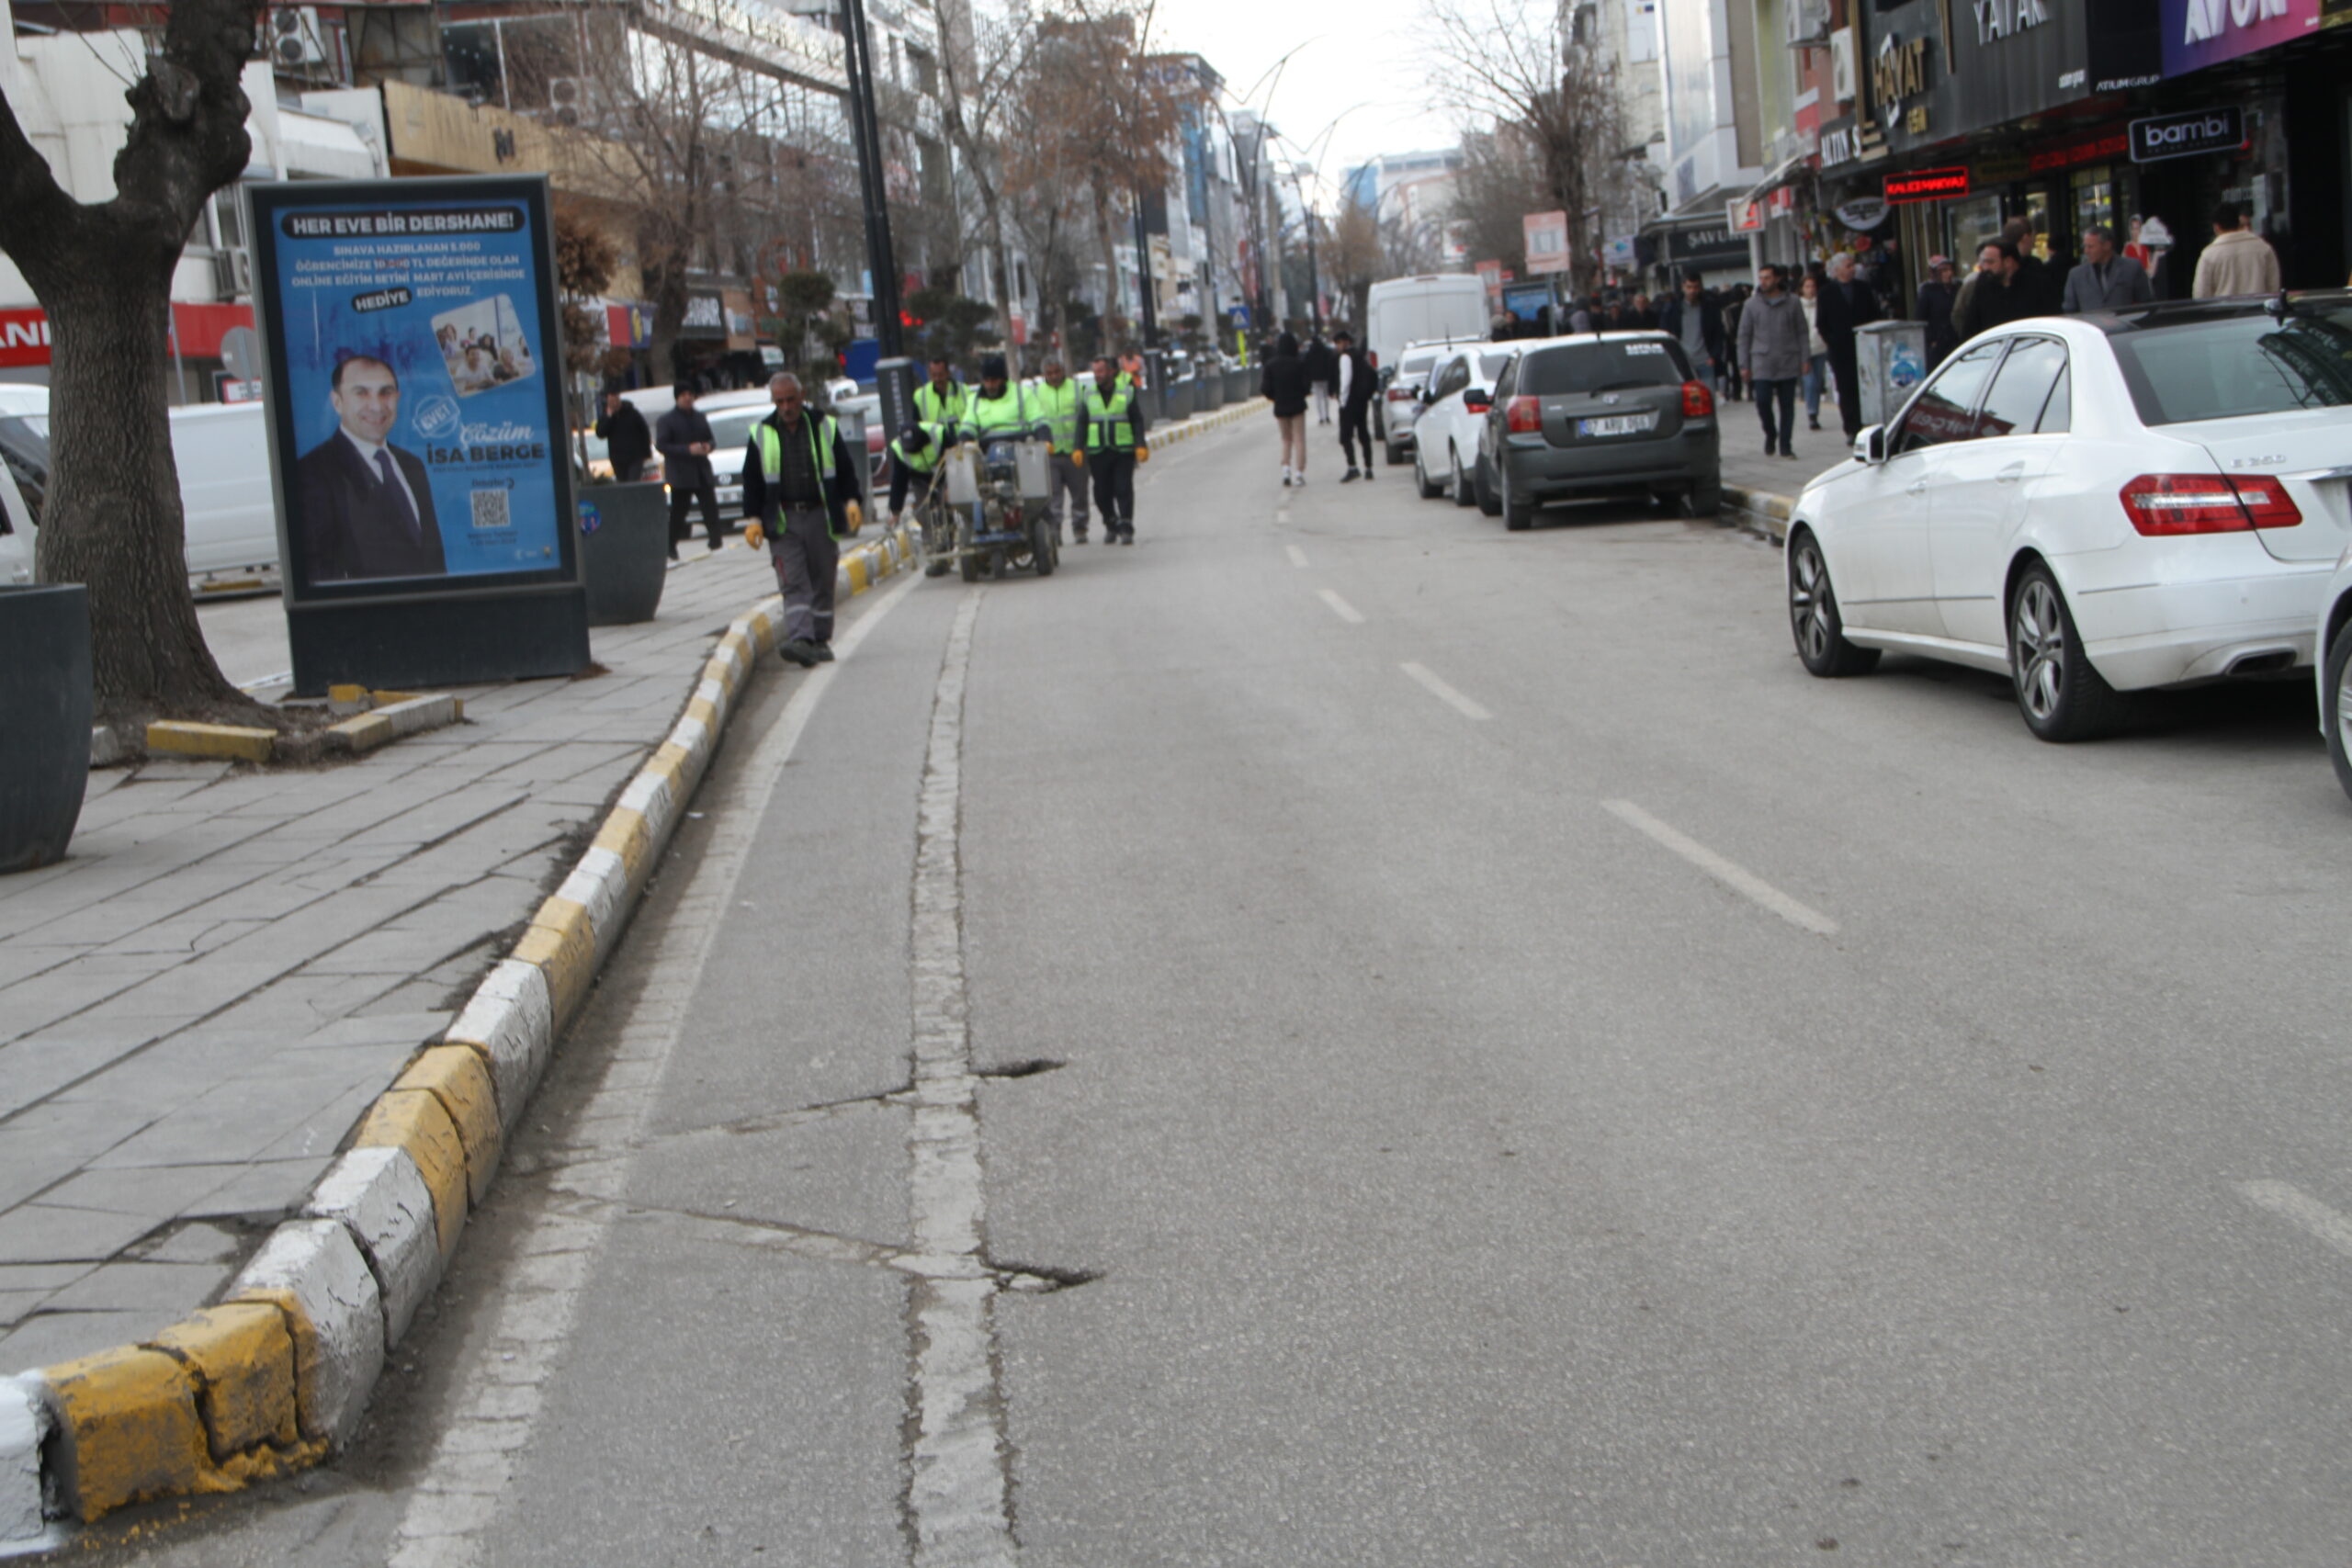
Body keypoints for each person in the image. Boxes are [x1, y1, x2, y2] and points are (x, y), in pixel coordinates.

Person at [739, 373, 862, 667]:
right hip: (783, 520)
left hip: (821, 514)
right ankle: (801, 638)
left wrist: (853, 501)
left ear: (801, 394)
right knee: (793, 581)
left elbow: (844, 469)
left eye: (791, 399)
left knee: (822, 578)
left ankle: (820, 639)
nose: (786, 406)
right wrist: (754, 519)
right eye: (779, 401)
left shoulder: (823, 426)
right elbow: (752, 481)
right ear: (773, 401)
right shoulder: (762, 433)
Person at [293, 354, 445, 583]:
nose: (376, 406)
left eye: (386, 392)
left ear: (398, 397)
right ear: (337, 402)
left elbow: (433, 559)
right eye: (361, 392)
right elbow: (320, 571)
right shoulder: (313, 472)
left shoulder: (412, 464)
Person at [1074, 355, 1148, 544]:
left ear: (1112, 371)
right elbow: (1082, 423)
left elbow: (1137, 420)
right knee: (1101, 492)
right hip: (1098, 451)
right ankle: (1110, 522)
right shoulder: (1088, 393)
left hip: (1123, 450)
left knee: (1123, 487)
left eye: (1101, 371)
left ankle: (1126, 526)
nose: (1097, 375)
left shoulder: (1127, 392)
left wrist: (1140, 444)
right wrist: (1078, 448)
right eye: (1095, 371)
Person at [1737, 263, 1807, 459]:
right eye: (1761, 278)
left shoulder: (1792, 301)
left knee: (1787, 406)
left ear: (1777, 279)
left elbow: (1802, 331)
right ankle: (1770, 433)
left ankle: (1785, 445)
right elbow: (1744, 336)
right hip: (1761, 362)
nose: (1764, 281)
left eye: (1768, 277)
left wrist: (1805, 358)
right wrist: (1744, 365)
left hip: (1787, 359)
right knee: (1762, 402)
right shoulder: (1751, 305)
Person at [1814, 252, 1881, 441]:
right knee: (1846, 388)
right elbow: (1822, 323)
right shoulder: (1827, 292)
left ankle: (1868, 423)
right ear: (1837, 270)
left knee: (1867, 385)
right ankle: (1851, 427)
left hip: (1865, 347)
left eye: (1853, 265)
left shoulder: (1863, 289)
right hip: (1841, 349)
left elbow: (1875, 315)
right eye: (1849, 265)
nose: (1853, 269)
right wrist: (1832, 341)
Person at [655, 383, 722, 558]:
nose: (687, 397)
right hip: (681, 474)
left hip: (701, 471)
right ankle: (670, 546)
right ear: (677, 398)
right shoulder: (667, 420)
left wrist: (709, 446)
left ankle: (716, 542)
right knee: (679, 513)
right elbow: (662, 445)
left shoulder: (699, 417)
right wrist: (687, 450)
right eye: (683, 394)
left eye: (690, 394)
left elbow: (711, 439)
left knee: (710, 508)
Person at [1032, 358, 1090, 543]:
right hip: (1050, 454)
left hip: (1075, 453)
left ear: (1063, 371)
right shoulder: (1036, 393)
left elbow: (1086, 418)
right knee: (1053, 496)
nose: (1054, 376)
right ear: (1044, 375)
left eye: (1057, 372)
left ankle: (1080, 528)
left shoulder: (1076, 389)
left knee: (1079, 494)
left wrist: (1082, 446)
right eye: (1049, 373)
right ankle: (1054, 530)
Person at [2193, 201, 2282, 299]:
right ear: (2237, 222)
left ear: (2216, 227)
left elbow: (2201, 294)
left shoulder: (2209, 255)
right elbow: (2274, 288)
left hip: (2224, 312)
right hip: (2258, 311)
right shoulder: (2264, 248)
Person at [2063, 224, 2154, 313]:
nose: (2086, 251)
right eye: (2085, 246)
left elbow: (2146, 303)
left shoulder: (2131, 268)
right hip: (2091, 327)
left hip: (2124, 326)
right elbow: (2070, 310)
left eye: (2090, 247)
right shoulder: (2076, 275)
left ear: (2107, 245)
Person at [1953, 241, 2032, 343]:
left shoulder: (2034, 286)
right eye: (1984, 262)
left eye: (1990, 262)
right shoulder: (1981, 287)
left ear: (2008, 262)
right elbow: (1968, 325)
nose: (1986, 267)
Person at [1657, 274, 1724, 391]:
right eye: (1689, 287)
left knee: (1708, 398)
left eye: (1695, 287)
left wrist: (1714, 356)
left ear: (1700, 287)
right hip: (1683, 361)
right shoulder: (1673, 308)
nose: (1692, 291)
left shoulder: (1709, 307)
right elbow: (1665, 334)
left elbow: (1718, 333)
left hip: (1705, 359)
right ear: (1683, 287)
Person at [1261, 332, 1312, 487]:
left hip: (1281, 406)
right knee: (1299, 439)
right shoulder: (1299, 364)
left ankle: (1285, 469)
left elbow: (1265, 388)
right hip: (1297, 405)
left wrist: (1275, 397)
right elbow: (1307, 386)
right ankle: (1299, 473)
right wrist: (1300, 394)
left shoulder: (1270, 365)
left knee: (1285, 439)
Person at [1333, 329, 1375, 481]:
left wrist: (1342, 401)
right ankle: (1369, 468)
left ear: (1345, 342)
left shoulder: (1345, 357)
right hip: (1362, 400)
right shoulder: (1359, 356)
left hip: (1350, 402)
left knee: (1346, 436)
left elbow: (1346, 381)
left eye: (1338, 343)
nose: (1337, 347)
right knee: (1363, 433)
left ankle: (1352, 467)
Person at [2002, 218, 2060, 315]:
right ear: (2026, 237)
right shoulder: (2035, 268)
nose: (2033, 242)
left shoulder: (1999, 269)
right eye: (2033, 236)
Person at [1797, 274, 1832, 433]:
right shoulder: (1797, 306)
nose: (1810, 289)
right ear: (1802, 289)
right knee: (1809, 382)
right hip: (1804, 350)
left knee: (1817, 383)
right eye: (1807, 286)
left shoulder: (1822, 304)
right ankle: (1811, 413)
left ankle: (1815, 413)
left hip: (1820, 347)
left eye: (1813, 286)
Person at [594, 390, 651, 481]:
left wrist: (646, 453)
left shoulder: (632, 413)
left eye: (616, 400)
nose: (614, 403)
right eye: (611, 401)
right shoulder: (606, 416)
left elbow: (644, 431)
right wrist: (609, 416)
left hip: (634, 457)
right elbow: (600, 433)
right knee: (622, 484)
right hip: (617, 458)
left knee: (633, 483)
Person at [1916, 254, 1961, 370]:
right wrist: (1931, 340)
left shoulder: (1957, 287)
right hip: (1937, 342)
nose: (1948, 273)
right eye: (1943, 271)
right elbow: (1921, 318)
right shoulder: (1927, 291)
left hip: (1956, 339)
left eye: (1950, 270)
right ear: (1933, 273)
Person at [913, 353, 968, 427]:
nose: (937, 379)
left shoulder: (964, 391)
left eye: (940, 375)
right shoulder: (920, 396)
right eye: (934, 375)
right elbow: (916, 426)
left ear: (948, 373)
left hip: (962, 438)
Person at [1304, 333, 1338, 424]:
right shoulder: (1326, 351)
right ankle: (1327, 415)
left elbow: (1306, 366)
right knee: (1326, 397)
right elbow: (1331, 363)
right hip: (1326, 377)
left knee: (1318, 398)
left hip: (1315, 379)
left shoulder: (1309, 353)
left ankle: (1321, 417)